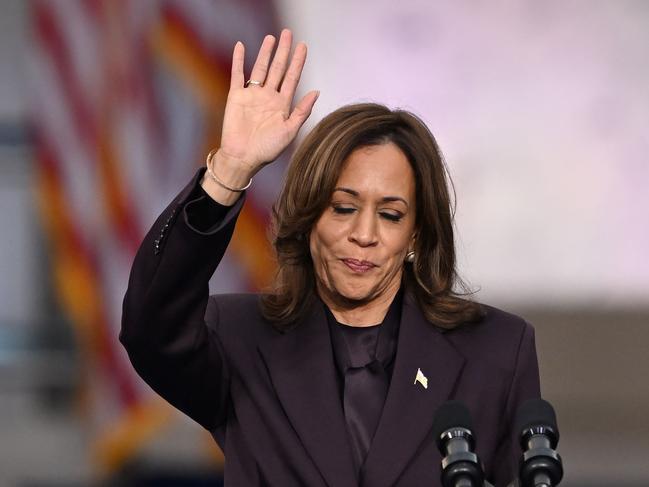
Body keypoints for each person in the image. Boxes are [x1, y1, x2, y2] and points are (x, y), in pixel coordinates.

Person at [120, 29, 540, 486]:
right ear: (308, 219)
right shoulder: (241, 341)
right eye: (343, 208)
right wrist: (229, 171)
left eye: (391, 214)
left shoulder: (496, 351)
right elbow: (149, 328)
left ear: (417, 233)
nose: (365, 235)